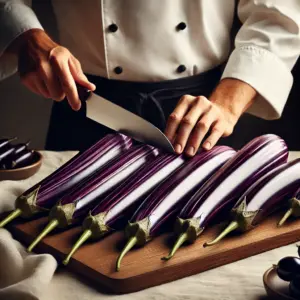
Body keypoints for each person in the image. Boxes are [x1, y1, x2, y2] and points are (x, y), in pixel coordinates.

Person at [1, 1, 299, 154]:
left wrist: (227, 105)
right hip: (83, 101)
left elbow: (276, 16)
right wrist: (26, 36)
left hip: (198, 114)